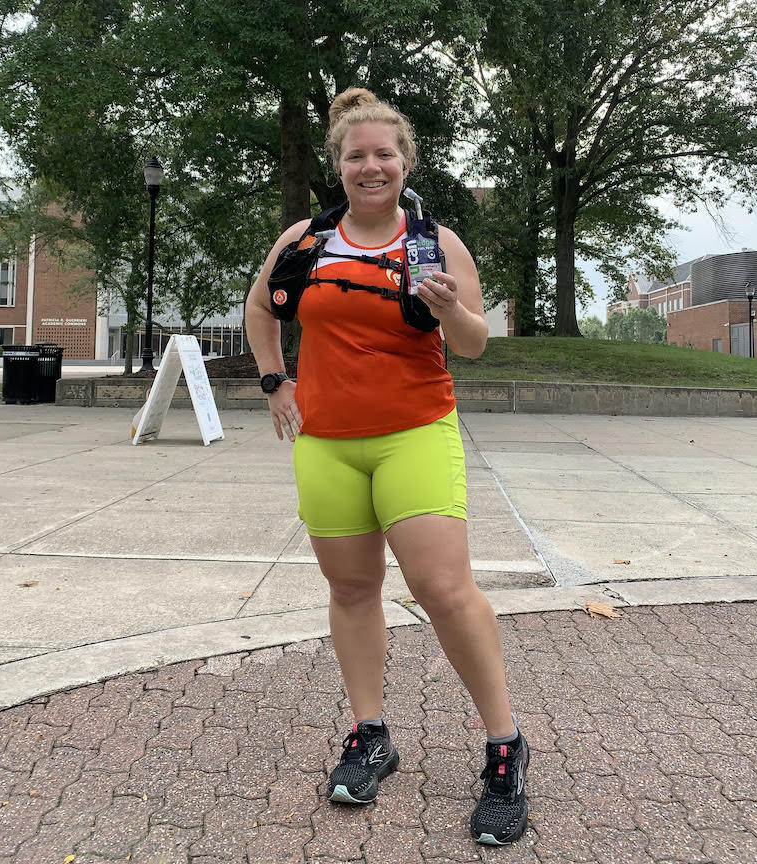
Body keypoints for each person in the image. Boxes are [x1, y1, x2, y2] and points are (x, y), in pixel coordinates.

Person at [245, 87, 529, 846]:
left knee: (442, 589)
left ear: (405, 162)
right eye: (355, 156)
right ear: (338, 166)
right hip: (327, 441)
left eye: (384, 154)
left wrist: (449, 308)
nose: (370, 167)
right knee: (350, 588)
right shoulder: (306, 241)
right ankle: (370, 735)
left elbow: (474, 343)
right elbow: (261, 308)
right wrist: (275, 382)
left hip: (415, 433)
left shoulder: (436, 242)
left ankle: (504, 748)